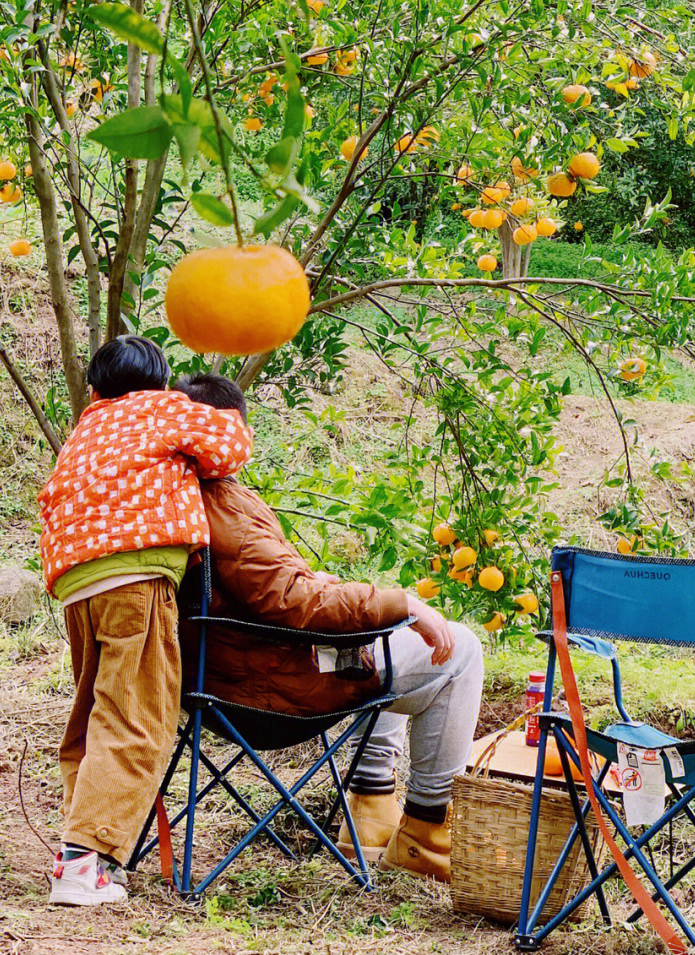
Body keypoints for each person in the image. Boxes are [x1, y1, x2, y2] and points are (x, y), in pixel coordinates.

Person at [175, 373, 484, 883]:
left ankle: (368, 817)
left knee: (378, 631)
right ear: (233, 434)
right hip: (265, 691)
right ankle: (427, 832)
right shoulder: (224, 508)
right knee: (459, 650)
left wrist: (358, 599)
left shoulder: (166, 497)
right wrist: (402, 602)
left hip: (213, 678)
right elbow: (296, 600)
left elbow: (268, 586)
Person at [39, 336, 253, 906]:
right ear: (160, 383)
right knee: (136, 718)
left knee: (92, 715)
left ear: (94, 388)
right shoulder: (164, 408)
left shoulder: (85, 428)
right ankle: (86, 864)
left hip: (76, 584)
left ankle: (75, 847)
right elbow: (230, 445)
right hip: (136, 578)